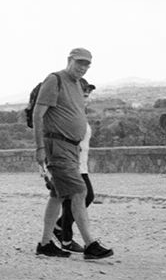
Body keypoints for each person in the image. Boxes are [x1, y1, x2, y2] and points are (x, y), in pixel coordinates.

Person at [32, 48, 114, 260]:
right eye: (79, 63)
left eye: (87, 65)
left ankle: (45, 243)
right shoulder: (54, 79)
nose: (83, 68)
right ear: (69, 60)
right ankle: (90, 245)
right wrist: (40, 148)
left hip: (70, 147)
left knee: (57, 196)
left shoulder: (77, 85)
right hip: (57, 145)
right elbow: (38, 115)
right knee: (79, 192)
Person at [53, 78, 96, 252]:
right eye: (83, 93)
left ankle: (62, 234)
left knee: (72, 199)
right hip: (71, 163)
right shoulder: (69, 112)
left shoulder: (80, 111)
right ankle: (62, 233)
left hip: (80, 164)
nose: (86, 96)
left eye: (88, 94)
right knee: (85, 196)